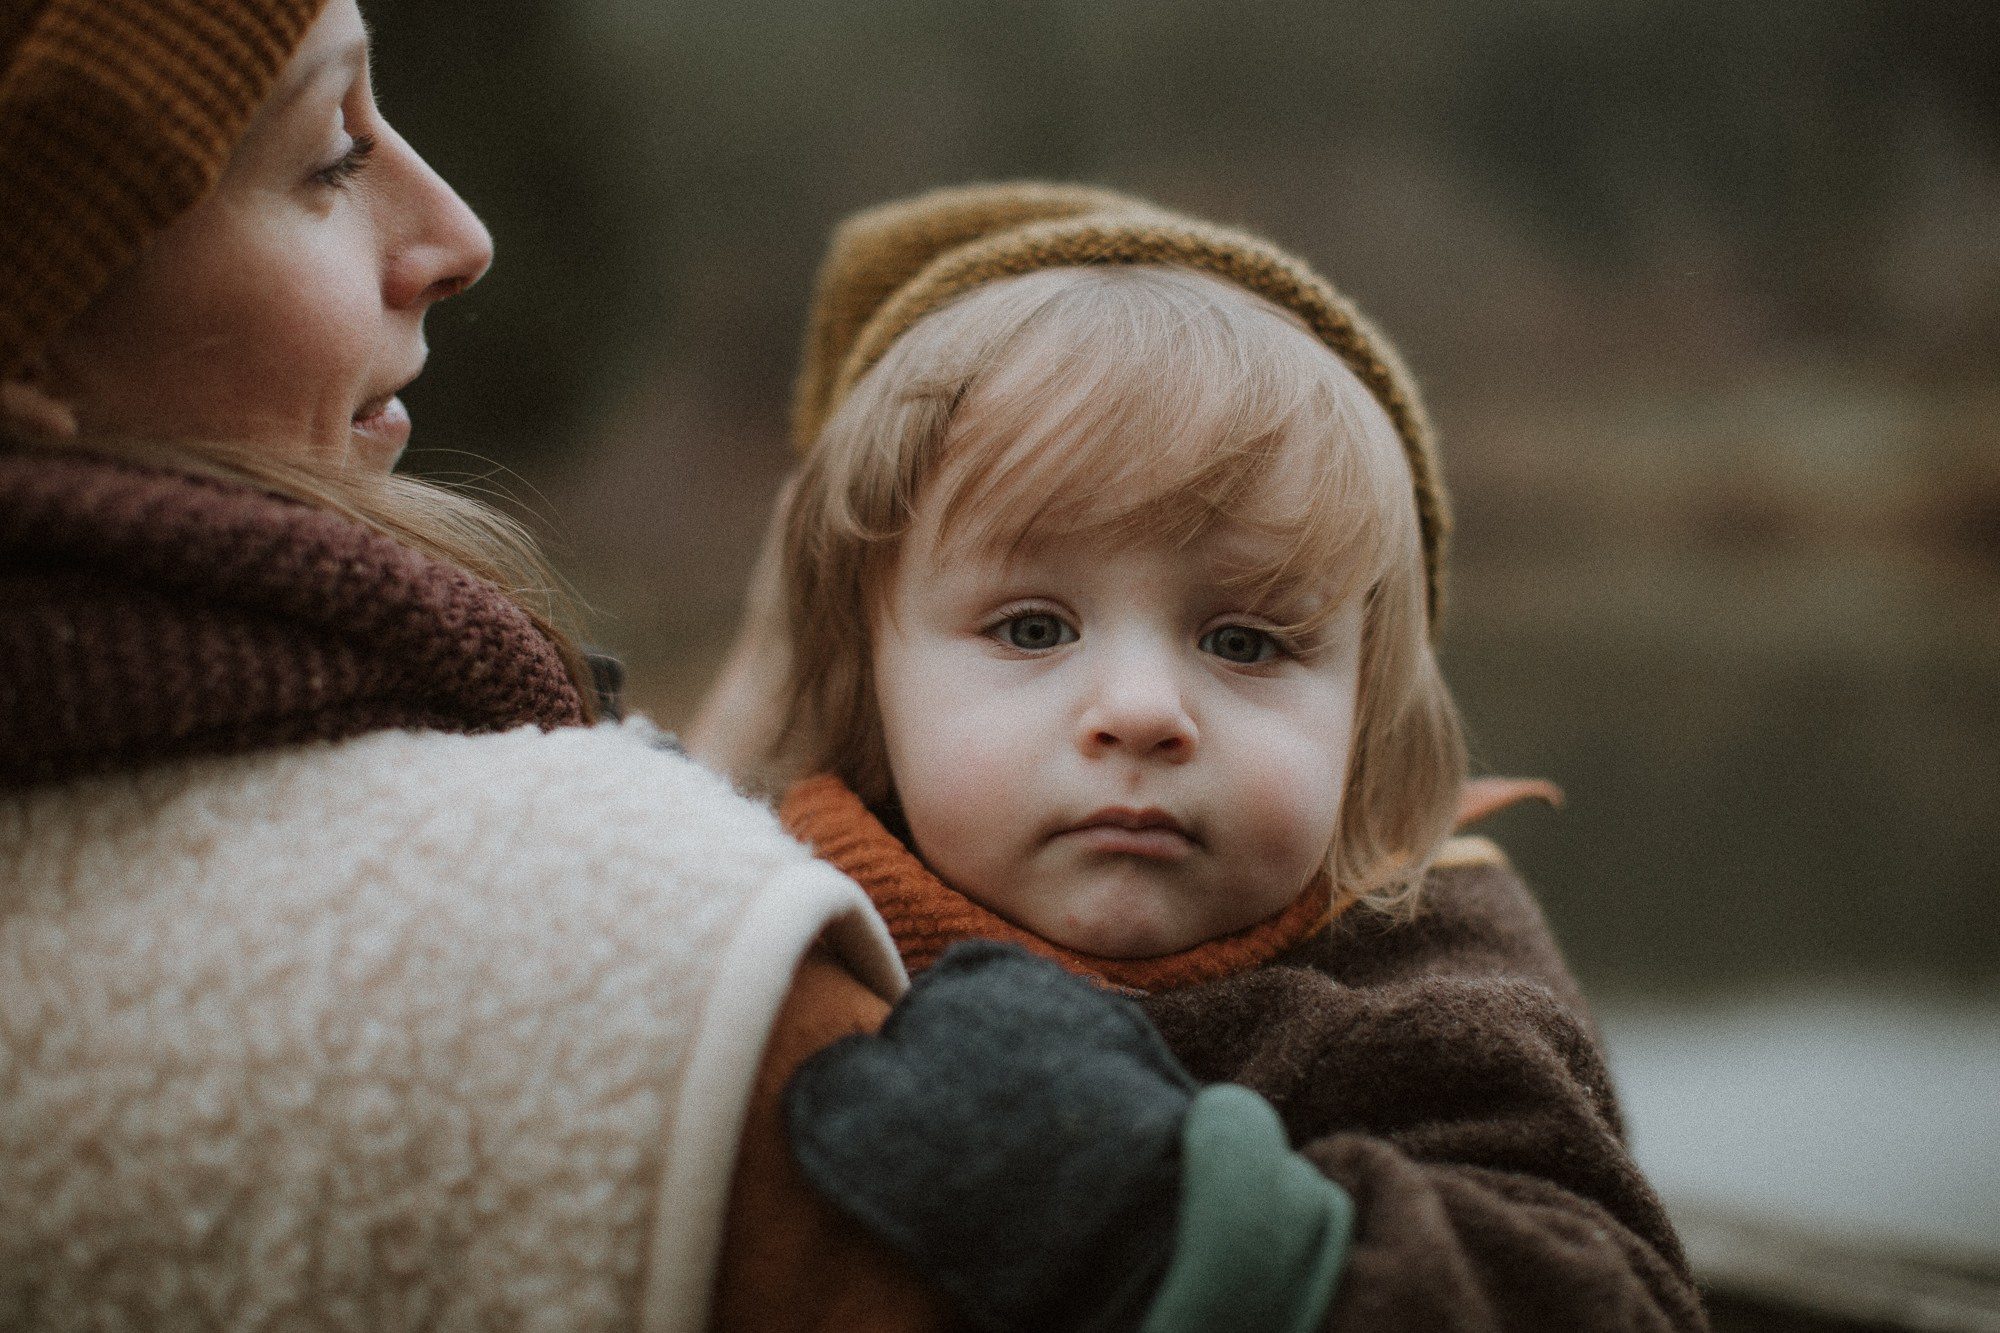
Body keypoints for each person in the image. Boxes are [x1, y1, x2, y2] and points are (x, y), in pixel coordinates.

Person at [0, 3, 957, 1328]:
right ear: (31, 347)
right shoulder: (665, 982)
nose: (459, 237)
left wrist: (727, 764)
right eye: (332, 156)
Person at [691, 183, 1709, 1331]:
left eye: (1243, 640)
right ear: (866, 688)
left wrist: (1160, 1229)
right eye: (1032, 628)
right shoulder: (767, 909)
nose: (1139, 711)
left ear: (1368, 717)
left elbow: (1601, 1299)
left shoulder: (1422, 979)